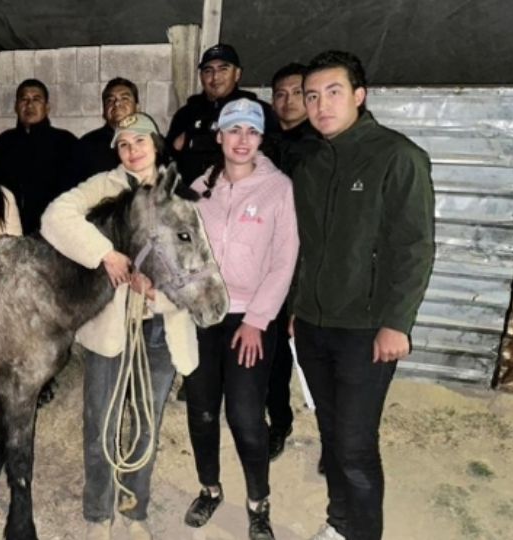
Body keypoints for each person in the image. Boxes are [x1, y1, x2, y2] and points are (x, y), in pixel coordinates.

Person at [292, 50, 435, 540]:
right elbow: (305, 246)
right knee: (332, 439)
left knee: (354, 447)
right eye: (312, 96)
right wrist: (297, 308)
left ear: (359, 95)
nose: (321, 105)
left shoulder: (398, 156)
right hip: (313, 327)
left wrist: (397, 321)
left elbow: (413, 246)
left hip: (365, 330)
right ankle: (339, 524)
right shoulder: (310, 164)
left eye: (333, 92)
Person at [41, 113, 195, 540]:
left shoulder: (180, 193)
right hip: (111, 325)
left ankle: (135, 508)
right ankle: (98, 514)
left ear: (155, 143)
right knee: (101, 422)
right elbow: (55, 217)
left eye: (139, 141)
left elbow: (196, 261)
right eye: (123, 144)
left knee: (147, 423)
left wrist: (157, 293)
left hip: (160, 326)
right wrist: (105, 254)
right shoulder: (103, 187)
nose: (131, 150)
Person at [181, 98, 297, 540]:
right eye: (234, 130)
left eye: (251, 131)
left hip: (251, 319)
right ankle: (209, 489)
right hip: (204, 316)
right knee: (202, 411)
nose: (242, 140)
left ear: (261, 137)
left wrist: (258, 320)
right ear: (220, 136)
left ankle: (258, 501)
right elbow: (185, 251)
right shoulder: (198, 188)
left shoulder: (278, 188)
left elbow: (285, 260)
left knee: (247, 417)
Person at [264, 61, 321, 460]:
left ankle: (333, 438)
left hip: (309, 267)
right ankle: (279, 422)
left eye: (297, 93)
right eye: (281, 94)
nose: (288, 101)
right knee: (275, 354)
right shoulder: (261, 144)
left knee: (315, 354)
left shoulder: (323, 147)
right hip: (266, 266)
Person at [166, 43, 279, 183]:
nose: (215, 77)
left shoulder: (258, 110)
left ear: (237, 74)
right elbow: (168, 157)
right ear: (201, 76)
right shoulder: (186, 114)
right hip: (192, 197)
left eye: (223, 69)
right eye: (208, 71)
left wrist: (195, 141)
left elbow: (272, 152)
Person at [0, 78, 78, 235]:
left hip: (57, 232)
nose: (29, 105)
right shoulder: (2, 143)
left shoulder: (66, 142)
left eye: (36, 99)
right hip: (11, 230)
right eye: (24, 99)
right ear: (16, 107)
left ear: (47, 107)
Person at [69, 77, 140, 185]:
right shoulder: (85, 145)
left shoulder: (152, 141)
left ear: (138, 108)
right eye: (110, 100)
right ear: (104, 111)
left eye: (124, 98)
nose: (116, 104)